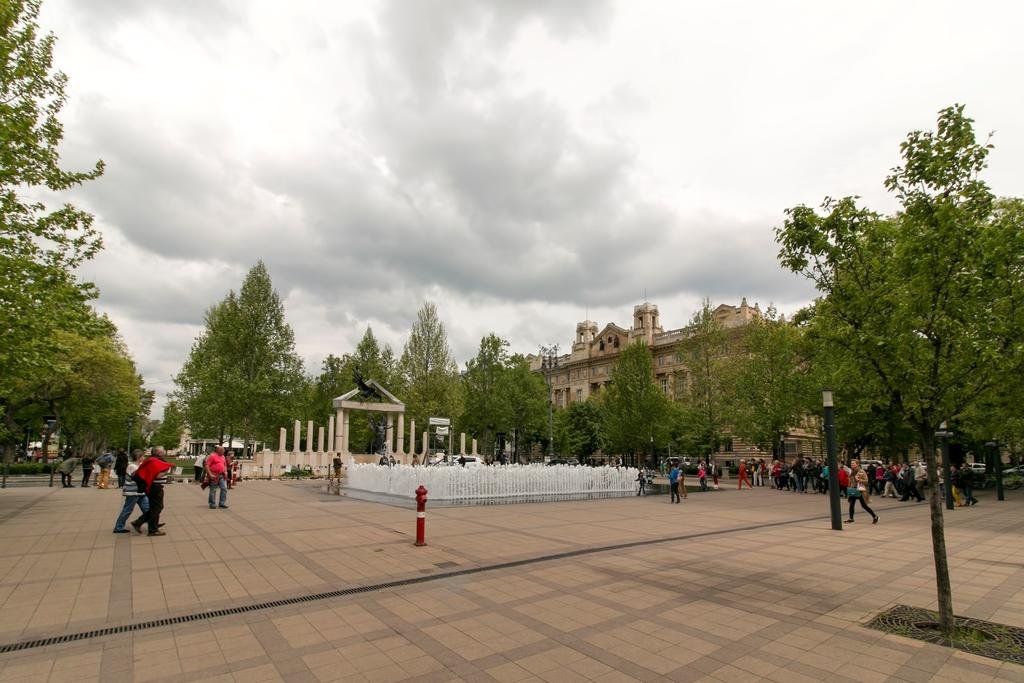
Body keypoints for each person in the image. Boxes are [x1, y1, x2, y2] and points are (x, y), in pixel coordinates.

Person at [130, 447, 172, 536]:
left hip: (154, 487)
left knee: (155, 508)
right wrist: (167, 470)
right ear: (158, 453)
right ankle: (152, 529)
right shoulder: (154, 461)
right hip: (155, 488)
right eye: (162, 451)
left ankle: (139, 522)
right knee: (157, 508)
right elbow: (157, 475)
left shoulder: (153, 460)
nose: (164, 452)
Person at [113, 451, 149, 533]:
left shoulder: (139, 465)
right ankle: (119, 527)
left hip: (140, 492)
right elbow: (138, 477)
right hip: (133, 492)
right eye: (143, 456)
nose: (144, 458)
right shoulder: (132, 466)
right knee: (127, 510)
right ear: (138, 457)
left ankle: (153, 524)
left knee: (147, 509)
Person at [846, 460, 878, 524]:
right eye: (851, 463)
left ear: (857, 464)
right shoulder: (852, 471)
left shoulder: (861, 471)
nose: (852, 464)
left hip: (860, 490)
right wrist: (849, 485)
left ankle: (875, 516)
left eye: (853, 463)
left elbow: (866, 481)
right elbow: (851, 481)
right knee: (851, 504)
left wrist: (859, 479)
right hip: (853, 490)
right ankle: (851, 519)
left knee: (864, 505)